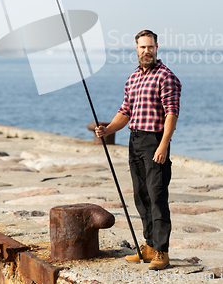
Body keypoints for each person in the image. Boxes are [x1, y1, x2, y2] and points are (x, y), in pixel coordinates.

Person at [95, 29, 181, 271]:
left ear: (157, 47)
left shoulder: (166, 77)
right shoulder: (132, 78)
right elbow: (125, 112)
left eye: (150, 47)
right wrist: (108, 129)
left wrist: (164, 144)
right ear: (136, 49)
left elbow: (172, 114)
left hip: (155, 142)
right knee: (141, 197)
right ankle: (150, 245)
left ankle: (162, 251)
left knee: (157, 197)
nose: (147, 51)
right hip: (134, 142)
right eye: (142, 47)